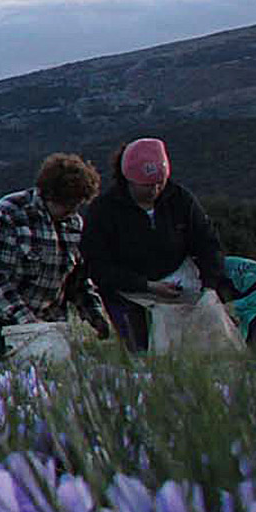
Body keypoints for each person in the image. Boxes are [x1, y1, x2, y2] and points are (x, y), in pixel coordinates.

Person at [78, 137, 240, 353]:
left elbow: (207, 243)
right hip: (131, 290)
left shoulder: (180, 199)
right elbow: (98, 267)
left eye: (159, 183)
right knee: (148, 351)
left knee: (209, 339)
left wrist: (211, 284)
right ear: (128, 180)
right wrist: (147, 285)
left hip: (181, 280)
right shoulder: (104, 211)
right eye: (147, 185)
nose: (154, 190)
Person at [0, 154, 105, 357]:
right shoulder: (9, 213)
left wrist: (95, 315)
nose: (72, 211)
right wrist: (25, 320)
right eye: (67, 204)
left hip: (46, 320)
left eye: (77, 205)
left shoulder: (74, 224)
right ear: (49, 194)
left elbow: (77, 280)